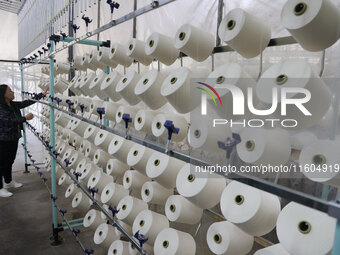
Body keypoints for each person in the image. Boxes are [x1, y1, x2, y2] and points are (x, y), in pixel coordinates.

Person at [0, 84, 48, 197]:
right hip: (3, 139)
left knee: (10, 160)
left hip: (13, 137)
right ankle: (0, 188)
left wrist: (41, 95)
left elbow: (24, 103)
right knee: (2, 163)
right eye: (10, 91)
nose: (12, 92)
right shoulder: (1, 107)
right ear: (4, 95)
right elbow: (8, 120)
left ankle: (8, 182)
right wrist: (25, 118)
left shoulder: (11, 104)